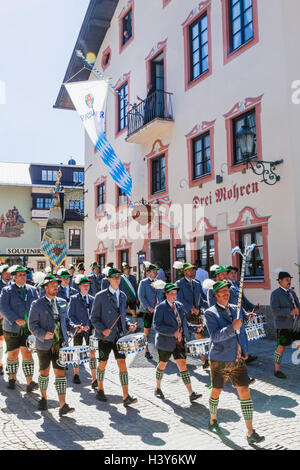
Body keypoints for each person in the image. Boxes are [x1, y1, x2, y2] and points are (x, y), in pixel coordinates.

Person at [205, 281, 264, 445]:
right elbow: (215, 336)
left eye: (227, 291)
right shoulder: (210, 313)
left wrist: (245, 349)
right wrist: (232, 327)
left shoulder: (236, 308)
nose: (226, 293)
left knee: (244, 391)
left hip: (237, 359)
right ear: (216, 295)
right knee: (216, 391)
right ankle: (213, 419)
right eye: (222, 292)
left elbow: (242, 328)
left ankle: (250, 432)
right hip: (219, 360)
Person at [28, 274, 80, 415]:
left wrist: (75, 327)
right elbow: (32, 325)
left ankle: (62, 405)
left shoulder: (62, 302)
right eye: (53, 285)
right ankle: (43, 398)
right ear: (45, 287)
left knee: (60, 374)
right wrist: (43, 334)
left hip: (60, 344)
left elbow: (67, 321)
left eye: (57, 285)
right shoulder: (37, 304)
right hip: (44, 345)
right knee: (44, 373)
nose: (56, 287)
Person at [90, 268, 138, 406]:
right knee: (103, 363)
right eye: (114, 277)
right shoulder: (100, 296)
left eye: (119, 277)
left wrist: (129, 325)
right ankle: (100, 389)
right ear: (109, 279)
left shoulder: (122, 295)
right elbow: (93, 318)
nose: (117, 279)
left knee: (122, 364)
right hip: (105, 336)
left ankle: (126, 396)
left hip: (119, 336)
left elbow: (122, 316)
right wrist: (102, 329)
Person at [153, 283, 203, 403]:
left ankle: (191, 393)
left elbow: (184, 324)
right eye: (172, 293)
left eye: (176, 293)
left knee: (183, 366)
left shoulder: (180, 306)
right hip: (165, 342)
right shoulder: (160, 308)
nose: (174, 296)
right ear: (166, 294)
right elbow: (157, 326)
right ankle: (158, 387)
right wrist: (173, 332)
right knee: (162, 365)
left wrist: (195, 328)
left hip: (179, 342)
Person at [0, 265, 38, 391]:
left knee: (27, 353)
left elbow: (37, 307)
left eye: (24, 274)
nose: (23, 277)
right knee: (13, 354)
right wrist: (16, 319)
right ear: (14, 277)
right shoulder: (7, 290)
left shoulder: (32, 290)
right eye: (20, 275)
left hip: (28, 328)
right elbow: (3, 308)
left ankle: (29, 382)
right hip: (11, 328)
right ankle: (12, 378)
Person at [176, 263, 209, 369]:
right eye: (191, 270)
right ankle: (182, 362)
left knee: (200, 335)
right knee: (182, 339)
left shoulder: (197, 283)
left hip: (196, 316)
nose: (193, 272)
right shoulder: (179, 283)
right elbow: (179, 299)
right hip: (184, 315)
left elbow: (202, 298)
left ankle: (204, 361)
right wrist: (191, 308)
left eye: (194, 270)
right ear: (185, 272)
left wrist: (210, 306)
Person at [67, 275, 96, 387]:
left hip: (90, 329)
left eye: (88, 285)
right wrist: (77, 326)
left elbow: (95, 315)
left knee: (92, 353)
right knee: (76, 351)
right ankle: (76, 374)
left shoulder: (93, 299)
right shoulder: (74, 298)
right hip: (78, 329)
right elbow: (70, 316)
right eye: (84, 285)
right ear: (79, 286)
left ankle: (94, 378)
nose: (86, 287)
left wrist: (91, 325)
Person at [270, 271, 300, 379]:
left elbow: (298, 306)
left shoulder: (292, 293)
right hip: (282, 326)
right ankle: (276, 370)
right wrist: (290, 311)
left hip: (295, 325)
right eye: (286, 280)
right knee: (281, 347)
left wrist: (298, 311)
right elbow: (274, 311)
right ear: (280, 281)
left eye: (290, 279)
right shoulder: (275, 294)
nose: (289, 281)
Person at [138, 264, 164, 360]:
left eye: (156, 271)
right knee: (147, 332)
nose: (156, 273)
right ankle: (146, 351)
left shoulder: (159, 282)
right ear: (148, 273)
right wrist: (148, 307)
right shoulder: (143, 282)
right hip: (147, 311)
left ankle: (161, 351)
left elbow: (161, 295)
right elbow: (141, 296)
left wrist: (160, 305)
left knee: (160, 331)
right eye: (153, 271)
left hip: (157, 310)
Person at [0, 264, 12, 375]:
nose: (8, 276)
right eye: (6, 274)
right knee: (0, 342)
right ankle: (0, 364)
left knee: (10, 342)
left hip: (10, 318)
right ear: (2, 274)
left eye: (10, 274)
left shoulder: (13, 286)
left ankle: (10, 363)